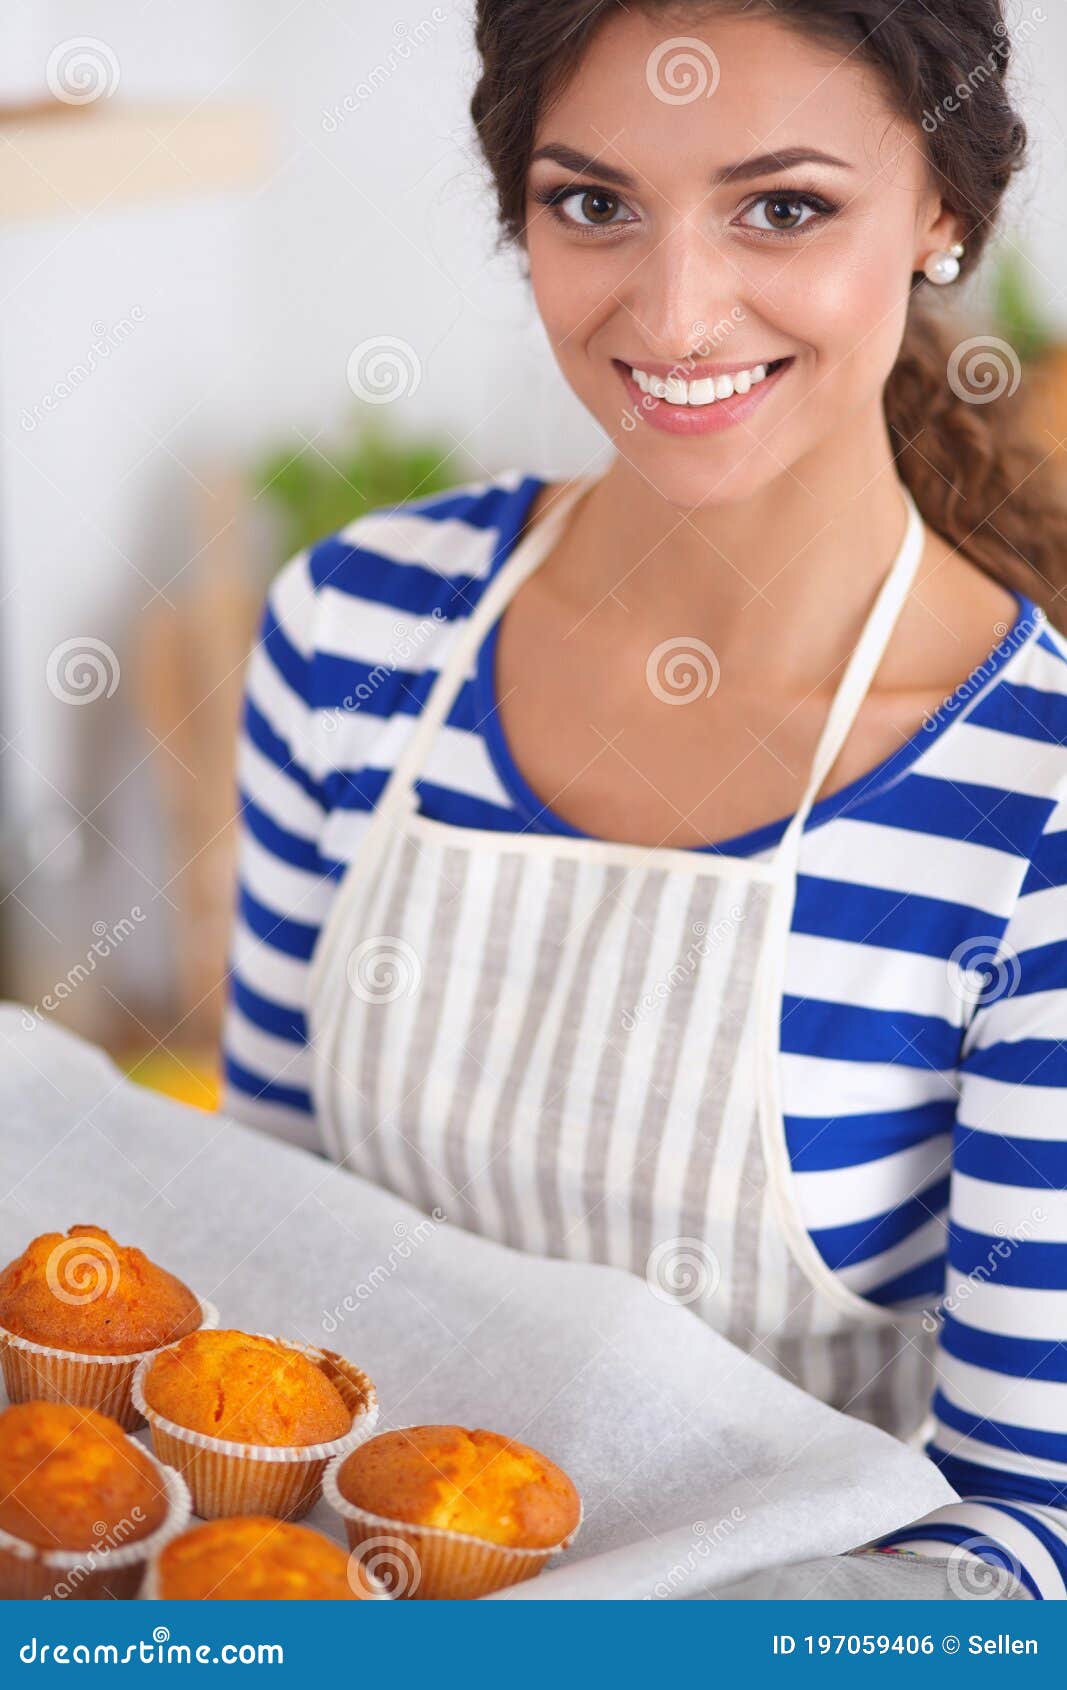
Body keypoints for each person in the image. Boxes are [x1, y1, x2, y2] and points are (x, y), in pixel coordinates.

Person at [221, 1, 1067, 1596]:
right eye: (594, 203)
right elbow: (267, 1262)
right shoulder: (360, 629)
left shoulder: (1034, 810)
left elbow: (1032, 1533)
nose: (675, 314)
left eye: (785, 207)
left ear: (942, 212)